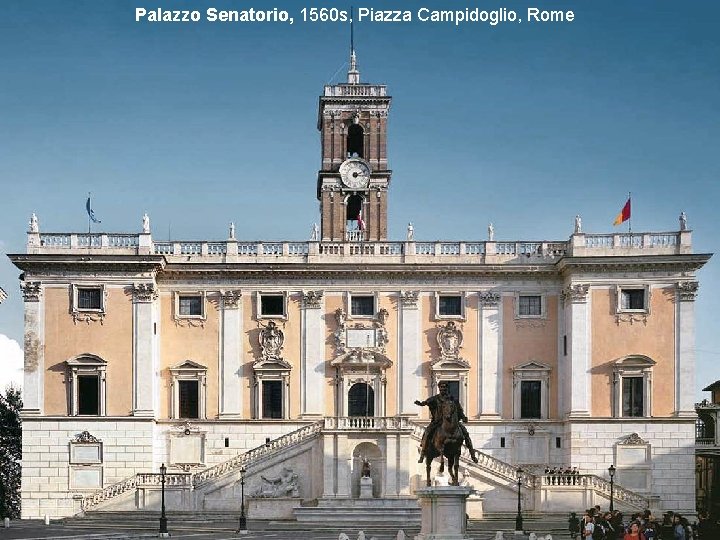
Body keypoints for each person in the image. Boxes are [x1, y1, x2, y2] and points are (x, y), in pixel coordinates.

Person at [415, 381, 479, 463]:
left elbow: (459, 410)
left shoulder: (452, 399)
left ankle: (472, 454)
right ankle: (423, 454)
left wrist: (463, 417)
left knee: (466, 434)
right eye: (441, 387)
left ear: (447, 388)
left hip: (451, 422)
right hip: (438, 421)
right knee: (427, 432)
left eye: (444, 387)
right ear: (439, 388)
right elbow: (427, 402)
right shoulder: (435, 398)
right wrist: (421, 403)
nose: (443, 389)